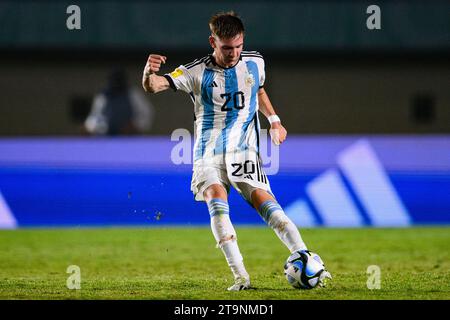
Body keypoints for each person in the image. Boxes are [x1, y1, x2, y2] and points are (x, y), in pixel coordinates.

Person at [142, 11, 331, 291]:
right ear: (213, 42)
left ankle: (309, 260)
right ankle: (241, 278)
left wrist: (275, 121)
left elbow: (258, 90)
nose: (233, 54)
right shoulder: (195, 71)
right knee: (216, 203)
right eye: (227, 48)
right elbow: (155, 86)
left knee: (269, 208)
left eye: (238, 47)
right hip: (207, 154)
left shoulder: (255, 62)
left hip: (244, 151)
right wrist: (148, 73)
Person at [85, 69, 153, 135]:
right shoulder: (103, 96)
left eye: (118, 80)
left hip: (130, 137)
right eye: (114, 80)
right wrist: (99, 127)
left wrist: (135, 125)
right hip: (107, 137)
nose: (116, 83)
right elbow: (94, 118)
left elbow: (146, 113)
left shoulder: (133, 94)